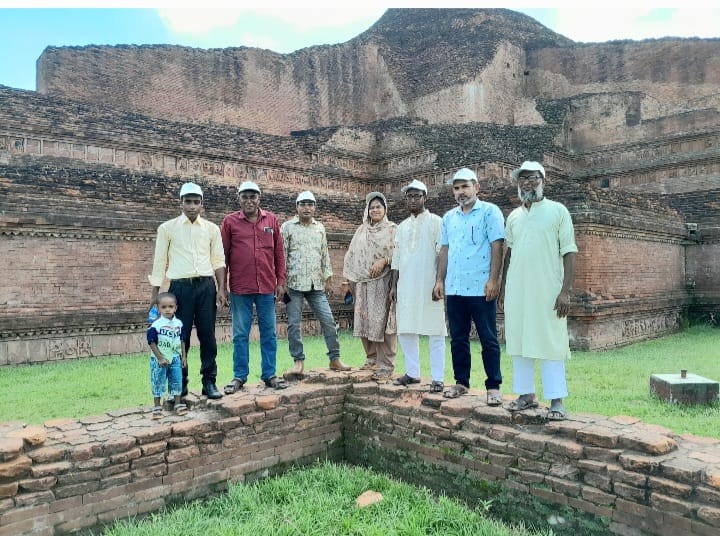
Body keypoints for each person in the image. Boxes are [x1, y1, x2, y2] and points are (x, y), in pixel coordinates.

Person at [499, 161, 577, 421]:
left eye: (532, 178)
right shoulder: (514, 216)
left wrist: (565, 291)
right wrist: (503, 287)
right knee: (519, 341)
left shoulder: (558, 211)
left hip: (548, 289)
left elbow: (569, 252)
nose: (527, 183)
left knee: (551, 342)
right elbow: (509, 253)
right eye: (522, 179)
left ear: (543, 180)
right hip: (518, 290)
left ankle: (556, 400)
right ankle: (525, 395)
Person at [432, 168, 505, 403]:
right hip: (455, 287)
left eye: (465, 186)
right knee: (458, 339)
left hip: (480, 286)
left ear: (477, 187)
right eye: (456, 188)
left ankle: (493, 386)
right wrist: (439, 280)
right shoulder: (449, 217)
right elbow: (444, 249)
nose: (461, 192)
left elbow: (497, 246)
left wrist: (494, 280)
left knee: (488, 338)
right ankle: (461, 382)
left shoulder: (489, 212)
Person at [149, 182, 227, 400]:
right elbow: (159, 261)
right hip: (180, 288)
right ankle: (180, 384)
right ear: (181, 203)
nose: (192, 206)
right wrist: (155, 294)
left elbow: (218, 261)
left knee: (207, 336)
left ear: (202, 204)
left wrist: (222, 288)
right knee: (179, 337)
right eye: (188, 201)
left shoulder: (211, 229)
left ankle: (209, 382)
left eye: (196, 202)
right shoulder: (167, 228)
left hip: (205, 287)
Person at [221, 181, 288, 392]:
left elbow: (279, 253)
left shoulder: (271, 220)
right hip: (240, 287)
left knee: (269, 333)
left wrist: (281, 281)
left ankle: (269, 374)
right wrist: (221, 287)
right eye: (245, 197)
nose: (249, 201)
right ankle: (239, 376)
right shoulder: (230, 222)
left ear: (259, 198)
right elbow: (223, 256)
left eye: (253, 197)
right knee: (240, 333)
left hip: (266, 286)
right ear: (238, 199)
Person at [281, 191, 351, 378]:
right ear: (297, 207)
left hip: (316, 285)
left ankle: (335, 358)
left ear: (314, 207)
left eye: (310, 204)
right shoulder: (287, 227)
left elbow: (324, 254)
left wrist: (328, 278)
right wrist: (281, 282)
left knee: (328, 321)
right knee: (294, 324)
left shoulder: (319, 228)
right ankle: (298, 361)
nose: (307, 208)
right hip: (293, 285)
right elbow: (282, 256)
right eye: (303, 204)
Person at [389, 179, 447, 393]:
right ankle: (412, 373)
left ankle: (438, 378)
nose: (413, 200)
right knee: (406, 329)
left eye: (417, 196)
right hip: (406, 285)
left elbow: (442, 253)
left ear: (425, 198)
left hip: (429, 285)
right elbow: (396, 258)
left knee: (436, 330)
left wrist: (439, 281)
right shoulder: (402, 227)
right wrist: (394, 286)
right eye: (409, 196)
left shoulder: (436, 222)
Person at [343, 192, 398, 381]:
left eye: (378, 207)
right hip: (362, 283)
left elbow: (400, 252)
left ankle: (386, 364)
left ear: (385, 209)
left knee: (383, 323)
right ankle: (371, 358)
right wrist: (348, 281)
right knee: (364, 321)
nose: (375, 210)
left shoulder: (392, 229)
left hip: (383, 282)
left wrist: (384, 261)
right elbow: (351, 255)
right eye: (371, 207)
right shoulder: (361, 230)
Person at [147, 292, 188, 419]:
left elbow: (182, 340)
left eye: (170, 306)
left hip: (175, 357)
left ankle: (177, 404)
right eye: (164, 307)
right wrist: (159, 357)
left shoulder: (179, 324)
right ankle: (157, 408)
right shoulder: (156, 325)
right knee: (158, 381)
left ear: (176, 308)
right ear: (158, 308)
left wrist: (183, 356)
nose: (167, 310)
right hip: (159, 359)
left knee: (177, 380)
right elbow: (151, 342)